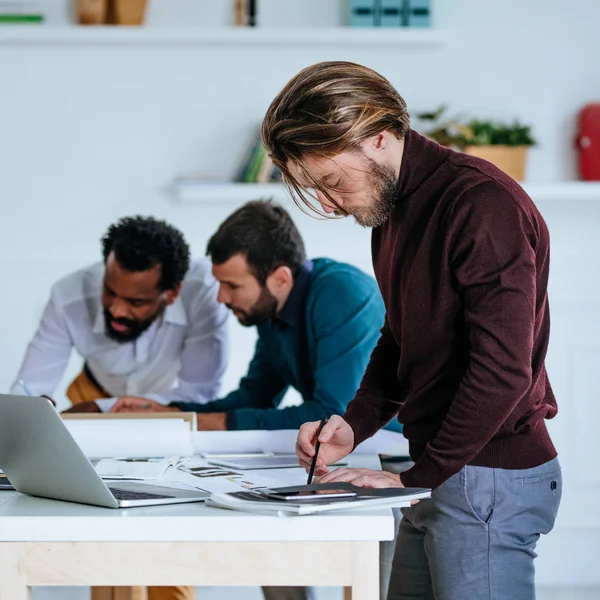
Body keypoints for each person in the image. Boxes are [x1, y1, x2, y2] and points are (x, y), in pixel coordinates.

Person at [262, 61, 562, 600]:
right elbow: (401, 337)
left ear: (378, 136)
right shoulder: (393, 208)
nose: (329, 203)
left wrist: (420, 476)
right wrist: (353, 426)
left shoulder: (481, 205)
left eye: (332, 182)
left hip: (484, 474)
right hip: (438, 469)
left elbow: (502, 370)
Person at [111, 200, 403, 600]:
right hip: (341, 451)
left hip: (394, 453)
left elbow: (333, 412)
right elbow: (253, 395)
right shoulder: (270, 313)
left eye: (232, 285)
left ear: (280, 278)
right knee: (268, 520)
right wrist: (174, 413)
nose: (220, 298)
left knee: (382, 580)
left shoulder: (342, 293)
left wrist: (207, 424)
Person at [11, 215, 229, 600]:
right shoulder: (68, 295)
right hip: (93, 396)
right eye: (110, 292)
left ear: (173, 292)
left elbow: (199, 394)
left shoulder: (204, 296)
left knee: (169, 522)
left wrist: (137, 412)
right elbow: (30, 391)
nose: (116, 309)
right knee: (104, 521)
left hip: (170, 406)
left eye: (136, 301)